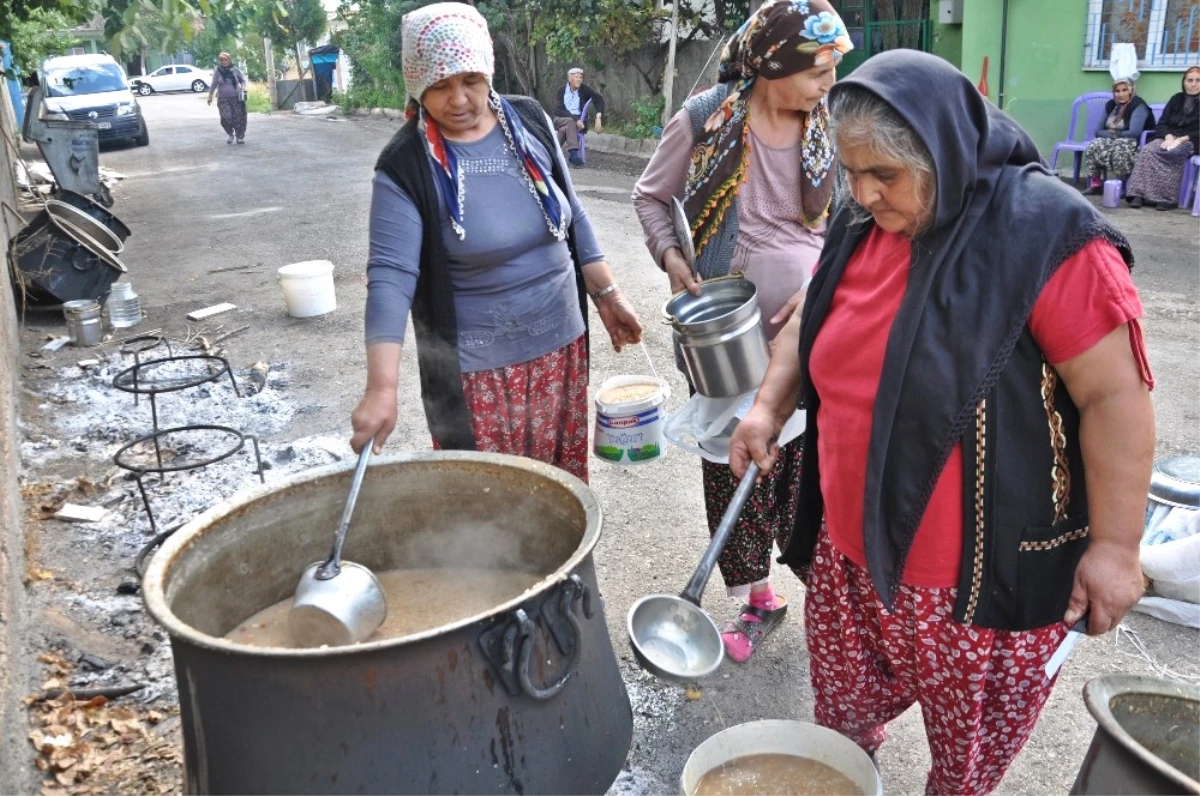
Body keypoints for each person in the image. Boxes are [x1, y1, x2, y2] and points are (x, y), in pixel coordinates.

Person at [730, 50, 1154, 795]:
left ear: (945, 152)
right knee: (841, 731)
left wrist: (1117, 547)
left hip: (973, 588)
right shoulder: (864, 224)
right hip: (855, 560)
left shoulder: (1045, 237)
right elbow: (810, 319)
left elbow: (1115, 399)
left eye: (884, 176)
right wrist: (768, 404)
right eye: (852, 174)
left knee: (961, 771)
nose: (862, 194)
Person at [632, 0, 852, 664]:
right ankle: (758, 598)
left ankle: (826, 599)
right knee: (731, 468)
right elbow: (649, 195)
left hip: (810, 332)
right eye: (817, 70)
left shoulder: (831, 128)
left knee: (805, 473)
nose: (828, 84)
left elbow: (848, 223)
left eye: (833, 69)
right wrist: (672, 258)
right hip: (725, 336)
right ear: (772, 63)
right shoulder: (704, 120)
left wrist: (816, 292)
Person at [349, 3, 642, 481]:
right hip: (478, 374)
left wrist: (608, 295)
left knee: (561, 494)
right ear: (417, 84)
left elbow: (573, 214)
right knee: (492, 505)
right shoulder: (405, 164)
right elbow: (390, 277)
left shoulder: (527, 120)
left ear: (488, 71)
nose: (459, 98)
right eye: (440, 85)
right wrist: (381, 387)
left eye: (470, 80)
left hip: (560, 350)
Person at [1125, 65, 1200, 209]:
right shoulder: (1176, 99)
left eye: (1198, 80)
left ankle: (1167, 198)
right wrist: (1169, 136)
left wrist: (1182, 139)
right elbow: (1162, 122)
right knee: (1148, 150)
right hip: (1168, 137)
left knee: (1174, 153)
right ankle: (1139, 195)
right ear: (1184, 82)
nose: (1193, 84)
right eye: (1190, 80)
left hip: (1190, 141)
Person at [1082, 76, 1153, 193]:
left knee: (1121, 146)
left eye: (1125, 90)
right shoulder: (1111, 105)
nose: (1121, 94)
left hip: (1136, 141)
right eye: (1117, 91)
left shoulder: (1138, 105)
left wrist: (1113, 134)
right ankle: (1096, 184)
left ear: (1131, 90)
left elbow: (1134, 132)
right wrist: (1113, 135)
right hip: (1116, 138)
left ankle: (1122, 185)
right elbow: (1097, 131)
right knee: (1095, 144)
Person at [552, 68, 604, 166]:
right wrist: (576, 119)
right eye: (576, 77)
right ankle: (573, 154)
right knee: (570, 121)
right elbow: (559, 110)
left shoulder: (584, 90)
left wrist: (598, 117)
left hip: (576, 123)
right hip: (559, 118)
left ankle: (552, 152)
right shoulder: (561, 90)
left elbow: (599, 99)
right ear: (569, 78)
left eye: (581, 77)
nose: (579, 79)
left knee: (564, 129)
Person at [206, 53, 248, 144]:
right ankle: (230, 134)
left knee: (239, 118)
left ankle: (240, 136)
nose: (224, 62)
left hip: (236, 98)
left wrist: (243, 87)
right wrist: (210, 96)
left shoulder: (235, 70)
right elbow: (213, 84)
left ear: (229, 60)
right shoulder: (217, 71)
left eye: (225, 59)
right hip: (223, 99)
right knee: (225, 118)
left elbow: (242, 80)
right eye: (221, 60)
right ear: (219, 61)